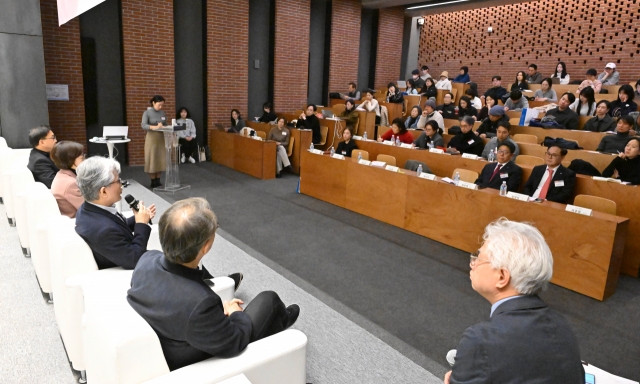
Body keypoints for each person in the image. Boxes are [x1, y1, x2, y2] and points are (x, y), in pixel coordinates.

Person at [127, 198, 299, 372]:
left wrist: (213, 314)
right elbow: (235, 341)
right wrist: (235, 314)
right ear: (206, 246)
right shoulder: (200, 303)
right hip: (194, 362)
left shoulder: (146, 261)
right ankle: (280, 334)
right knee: (269, 300)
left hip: (173, 337)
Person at [444, 219, 585, 384]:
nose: (472, 264)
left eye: (479, 258)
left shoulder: (480, 340)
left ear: (502, 277)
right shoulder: (562, 325)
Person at [75, 156, 156, 270]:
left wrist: (139, 218)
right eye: (118, 181)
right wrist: (141, 225)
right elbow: (134, 259)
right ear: (103, 191)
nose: (122, 184)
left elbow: (116, 228)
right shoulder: (103, 230)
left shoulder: (88, 209)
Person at [50, 141, 84, 218]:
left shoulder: (61, 174)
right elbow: (89, 210)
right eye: (81, 157)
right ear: (70, 160)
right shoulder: (70, 184)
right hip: (75, 222)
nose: (84, 159)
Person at [141, 95, 167, 188]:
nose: (160, 107)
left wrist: (164, 127)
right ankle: (152, 180)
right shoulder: (147, 113)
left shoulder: (162, 113)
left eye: (162, 105)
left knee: (160, 158)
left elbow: (165, 124)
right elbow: (143, 125)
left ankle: (158, 179)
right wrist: (155, 127)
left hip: (161, 138)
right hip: (151, 138)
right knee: (152, 158)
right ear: (153, 103)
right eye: (159, 105)